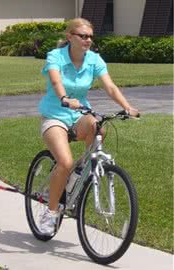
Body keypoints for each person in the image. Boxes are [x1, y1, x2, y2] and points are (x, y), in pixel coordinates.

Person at [37, 18, 140, 236]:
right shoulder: (56, 57)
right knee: (64, 162)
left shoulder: (94, 60)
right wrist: (64, 98)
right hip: (55, 114)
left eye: (90, 36)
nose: (88, 40)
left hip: (80, 114)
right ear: (69, 37)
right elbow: (56, 82)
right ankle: (51, 212)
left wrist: (127, 107)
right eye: (83, 36)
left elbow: (110, 86)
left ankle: (78, 173)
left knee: (98, 130)